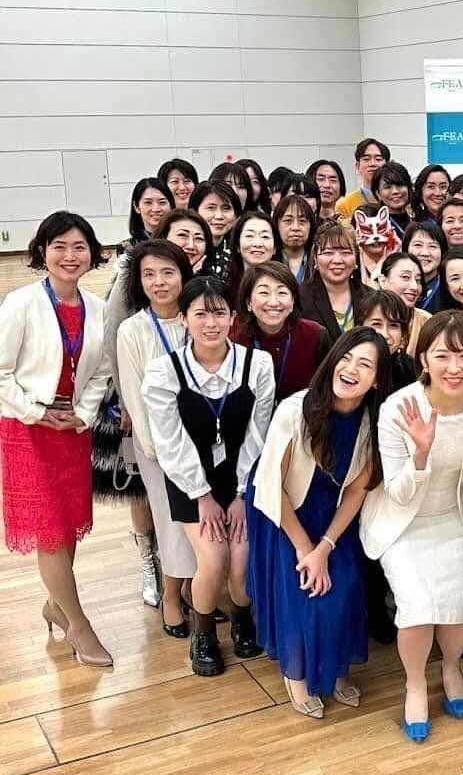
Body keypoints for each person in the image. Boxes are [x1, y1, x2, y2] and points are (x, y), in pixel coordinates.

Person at [364, 311, 463, 742]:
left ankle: (451, 668)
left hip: (452, 518)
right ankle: (415, 684)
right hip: (402, 524)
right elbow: (398, 492)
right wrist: (421, 454)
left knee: (455, 612)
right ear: (423, 358)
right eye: (442, 355)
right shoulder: (398, 408)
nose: (454, 367)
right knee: (417, 611)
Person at [246, 327, 392, 717]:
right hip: (283, 509)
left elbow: (358, 490)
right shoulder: (294, 411)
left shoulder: (372, 423)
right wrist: (304, 548)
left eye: (365, 364)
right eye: (345, 358)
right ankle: (295, 675)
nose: (351, 369)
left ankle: (335, 668)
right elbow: (272, 487)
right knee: (303, 591)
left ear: (377, 380)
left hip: (333, 512)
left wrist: (325, 546)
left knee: (345, 589)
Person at [142, 276, 275, 676]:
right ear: (184, 318)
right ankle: (203, 633)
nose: (211, 323)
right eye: (200, 314)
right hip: (189, 480)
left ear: (233, 317)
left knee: (241, 561)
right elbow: (170, 443)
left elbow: (259, 434)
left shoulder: (257, 364)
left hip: (242, 476)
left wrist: (240, 493)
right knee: (214, 559)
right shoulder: (164, 372)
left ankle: (241, 617)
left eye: (219, 313)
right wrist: (202, 495)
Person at [0, 211, 113, 667]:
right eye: (59, 246)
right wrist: (37, 412)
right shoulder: (21, 303)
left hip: (72, 431)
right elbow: (1, 373)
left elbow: (102, 372)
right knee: (49, 531)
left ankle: (55, 605)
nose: (70, 255)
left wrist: (82, 415)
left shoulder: (98, 308)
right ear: (42, 251)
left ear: (92, 253)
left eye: (79, 247)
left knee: (66, 528)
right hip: (27, 431)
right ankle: (79, 626)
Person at [115, 240, 197, 639]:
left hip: (202, 443)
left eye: (168, 272)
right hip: (158, 449)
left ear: (183, 275)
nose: (159, 282)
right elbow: (134, 397)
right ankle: (171, 598)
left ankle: (197, 592)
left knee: (200, 524)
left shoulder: (196, 319)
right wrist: (159, 452)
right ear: (139, 281)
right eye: (149, 274)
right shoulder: (132, 330)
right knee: (170, 524)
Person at [230, 263, 331, 404]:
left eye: (282, 293)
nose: (273, 302)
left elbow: (325, 389)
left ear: (293, 301)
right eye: (264, 293)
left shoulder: (315, 335)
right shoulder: (234, 339)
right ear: (248, 302)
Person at [299, 220, 370, 340]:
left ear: (356, 257)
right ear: (315, 258)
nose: (337, 260)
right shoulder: (299, 297)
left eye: (345, 252)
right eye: (328, 253)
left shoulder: (369, 297)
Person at [378, 252, 430, 355]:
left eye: (418, 280)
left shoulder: (427, 321)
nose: (414, 287)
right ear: (383, 281)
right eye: (405, 277)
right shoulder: (368, 315)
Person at [188, 179, 242, 280]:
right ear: (195, 211)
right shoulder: (187, 249)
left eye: (226, 208)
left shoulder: (240, 252)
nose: (219, 216)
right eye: (211, 208)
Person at [336, 138, 390, 218]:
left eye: (378, 159)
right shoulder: (344, 204)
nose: (372, 164)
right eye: (366, 159)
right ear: (357, 166)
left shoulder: (398, 199)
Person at [118, 178, 174, 254]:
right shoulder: (127, 247)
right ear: (136, 207)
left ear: (171, 205)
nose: (156, 209)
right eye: (148, 202)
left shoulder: (179, 242)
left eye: (162, 202)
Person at [402, 221, 448, 314]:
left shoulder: (449, 288)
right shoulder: (396, 285)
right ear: (406, 249)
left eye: (432, 246)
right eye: (418, 245)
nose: (425, 253)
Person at [273, 193, 317, 283]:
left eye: (302, 221)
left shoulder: (318, 262)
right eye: (288, 221)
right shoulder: (268, 260)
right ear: (277, 225)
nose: (295, 228)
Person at [154, 208, 212, 275]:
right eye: (182, 235)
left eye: (199, 238)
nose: (191, 246)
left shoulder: (211, 280)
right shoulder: (145, 272)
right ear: (163, 238)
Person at [370, 163, 414, 238]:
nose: (395, 191)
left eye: (400, 185)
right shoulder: (374, 226)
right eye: (387, 187)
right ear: (378, 193)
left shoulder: (419, 222)